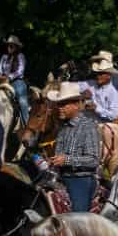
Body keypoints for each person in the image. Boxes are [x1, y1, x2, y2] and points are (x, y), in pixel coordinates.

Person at [44, 83, 100, 212]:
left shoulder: (88, 127)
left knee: (78, 218)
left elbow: (94, 160)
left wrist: (67, 160)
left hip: (80, 180)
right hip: (61, 177)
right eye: (59, 104)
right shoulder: (62, 128)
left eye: (64, 104)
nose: (60, 108)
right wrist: (53, 161)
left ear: (76, 105)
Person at [0, 35, 29, 115]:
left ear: (16, 47)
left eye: (11, 46)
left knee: (22, 101)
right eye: (8, 46)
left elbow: (20, 71)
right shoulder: (4, 57)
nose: (9, 48)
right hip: (3, 81)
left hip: (17, 82)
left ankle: (26, 120)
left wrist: (9, 77)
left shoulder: (20, 56)